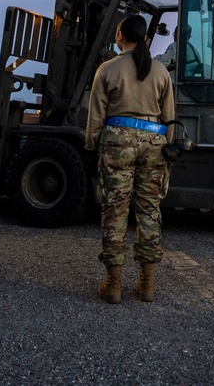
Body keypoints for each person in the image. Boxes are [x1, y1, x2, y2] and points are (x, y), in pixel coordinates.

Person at [85, 15, 175, 304]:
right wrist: (168, 147)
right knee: (149, 210)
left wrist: (93, 146)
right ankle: (146, 284)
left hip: (117, 142)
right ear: (146, 38)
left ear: (121, 35)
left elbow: (96, 116)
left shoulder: (107, 69)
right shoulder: (160, 71)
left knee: (115, 211)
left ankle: (113, 285)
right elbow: (169, 116)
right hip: (154, 144)